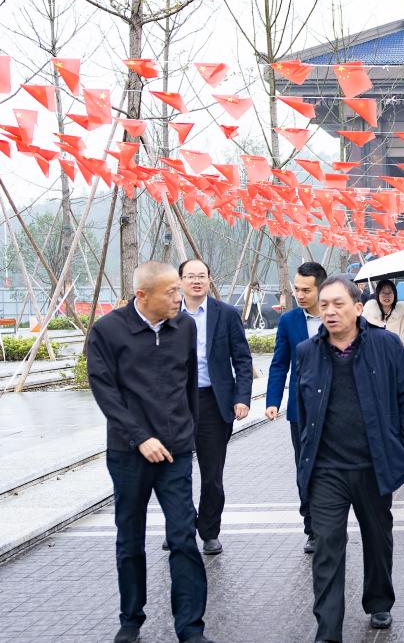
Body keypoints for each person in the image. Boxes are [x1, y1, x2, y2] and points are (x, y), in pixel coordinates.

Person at [87, 261, 213, 643]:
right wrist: (139, 436)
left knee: (182, 537)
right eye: (171, 292)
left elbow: (189, 382)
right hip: (129, 453)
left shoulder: (184, 326)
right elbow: (105, 391)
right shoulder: (108, 331)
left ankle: (190, 628)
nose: (180, 297)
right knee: (129, 537)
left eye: (179, 289)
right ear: (142, 296)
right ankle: (131, 618)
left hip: (175, 451)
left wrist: (186, 433)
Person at [294, 276, 404, 640]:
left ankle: (379, 600)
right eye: (324, 306)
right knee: (327, 548)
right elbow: (304, 411)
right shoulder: (307, 351)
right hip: (326, 469)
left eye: (338, 304)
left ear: (357, 306)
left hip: (373, 464)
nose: (330, 312)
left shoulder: (386, 345)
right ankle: (328, 631)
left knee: (378, 537)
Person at [177, 259, 253, 556]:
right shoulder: (169, 313)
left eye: (201, 276)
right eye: (190, 276)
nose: (196, 281)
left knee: (211, 474)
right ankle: (180, 527)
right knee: (176, 471)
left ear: (209, 279)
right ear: (181, 280)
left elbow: (243, 360)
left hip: (213, 402)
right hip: (176, 403)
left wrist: (241, 398)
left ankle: (209, 531)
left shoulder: (226, 314)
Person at [266, 261, 328, 554]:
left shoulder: (336, 316)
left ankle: (330, 521)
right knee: (305, 467)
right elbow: (280, 363)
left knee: (330, 468)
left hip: (335, 408)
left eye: (306, 290)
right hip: (300, 410)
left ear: (321, 289)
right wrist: (272, 401)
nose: (300, 294)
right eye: (297, 289)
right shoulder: (289, 321)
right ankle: (312, 527)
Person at [362, 279, 404, 350]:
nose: (387, 296)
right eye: (383, 292)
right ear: (378, 294)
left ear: (394, 294)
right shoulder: (369, 311)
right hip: (374, 357)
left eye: (390, 293)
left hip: (396, 357)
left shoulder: (402, 311)